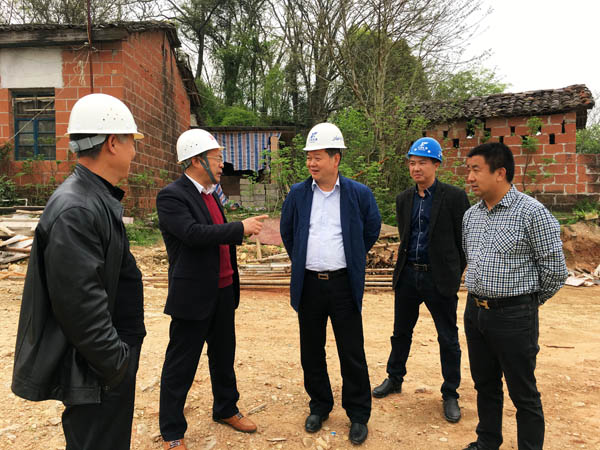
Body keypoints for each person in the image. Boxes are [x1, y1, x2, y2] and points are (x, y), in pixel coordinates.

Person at [12, 93, 145, 449]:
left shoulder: (94, 197)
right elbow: (80, 307)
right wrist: (116, 364)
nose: (135, 152)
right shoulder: (77, 209)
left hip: (104, 364)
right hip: (97, 370)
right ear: (113, 143)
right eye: (132, 142)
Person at [157, 128, 267, 450]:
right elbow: (192, 234)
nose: (222, 164)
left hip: (223, 290)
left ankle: (226, 408)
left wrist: (239, 231)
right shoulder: (172, 196)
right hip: (193, 295)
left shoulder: (212, 195)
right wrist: (239, 228)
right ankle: (172, 431)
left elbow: (217, 234)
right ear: (196, 160)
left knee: (223, 356)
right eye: (217, 158)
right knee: (181, 363)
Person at [461, 142, 568, 450]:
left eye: (476, 170)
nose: (469, 177)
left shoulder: (532, 213)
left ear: (500, 173)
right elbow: (471, 258)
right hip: (475, 311)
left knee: (523, 392)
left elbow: (555, 270)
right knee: (485, 384)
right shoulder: (471, 216)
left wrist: (526, 303)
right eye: (468, 170)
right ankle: (487, 441)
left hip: (515, 317)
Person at [280, 122, 381, 445]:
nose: (311, 163)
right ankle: (319, 405)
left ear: (336, 159)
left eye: (318, 157)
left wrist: (352, 255)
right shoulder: (298, 194)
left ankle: (358, 414)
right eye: (309, 157)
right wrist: (304, 259)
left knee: (351, 351)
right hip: (309, 284)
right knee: (311, 350)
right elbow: (288, 232)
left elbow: (371, 228)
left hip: (343, 284)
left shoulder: (358, 194)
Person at [372, 137, 470, 423]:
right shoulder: (404, 199)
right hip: (408, 275)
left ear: (436, 164)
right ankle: (395, 378)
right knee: (400, 332)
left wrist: (453, 272)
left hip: (438, 278)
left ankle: (450, 393)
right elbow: (406, 236)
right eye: (412, 163)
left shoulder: (454, 197)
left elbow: (463, 240)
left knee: (447, 337)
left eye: (422, 163)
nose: (416, 168)